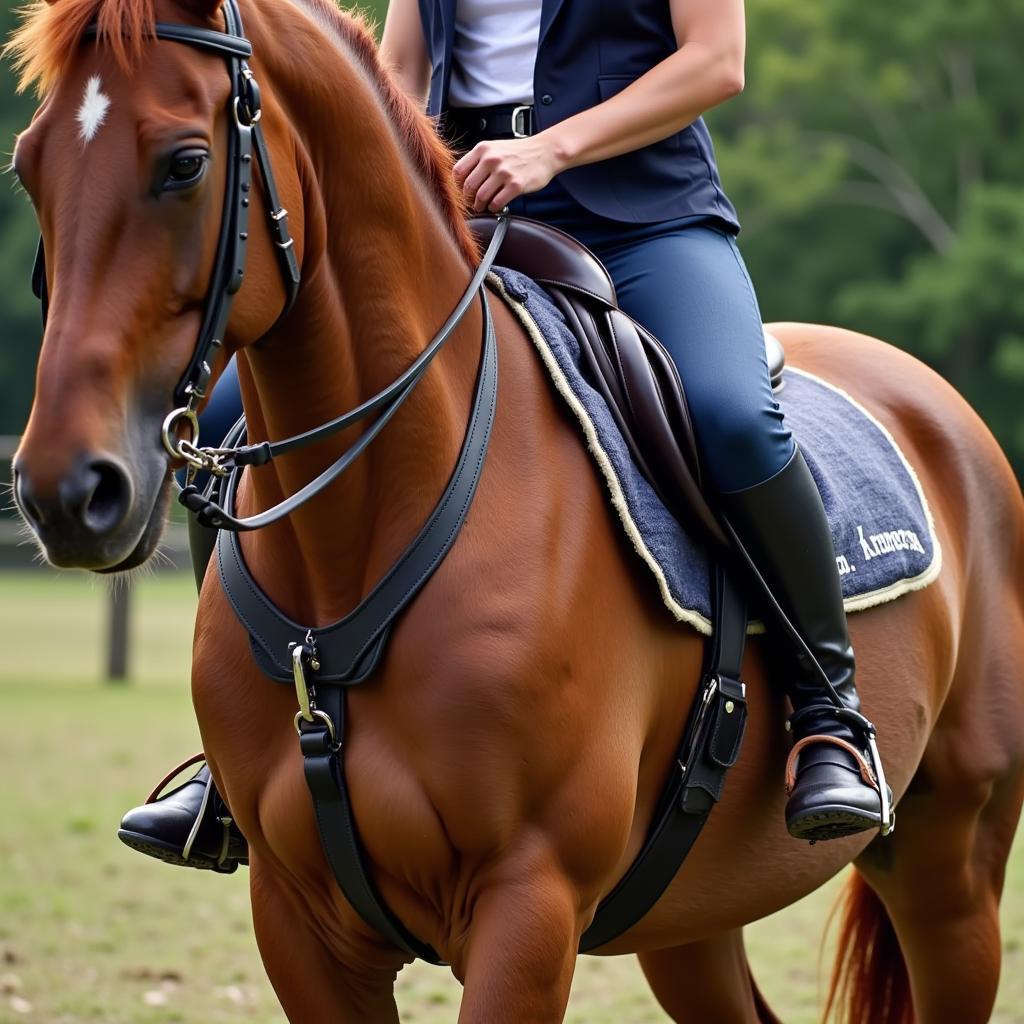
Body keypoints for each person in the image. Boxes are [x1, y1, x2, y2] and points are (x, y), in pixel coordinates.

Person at [118, 0, 888, 871]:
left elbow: (716, 61)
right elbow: (399, 71)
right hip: (458, 207)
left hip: (644, 220)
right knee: (224, 430)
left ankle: (830, 718)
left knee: (731, 417)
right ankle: (237, 761)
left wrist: (551, 146)